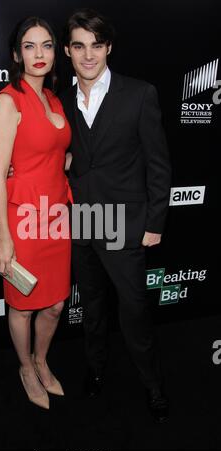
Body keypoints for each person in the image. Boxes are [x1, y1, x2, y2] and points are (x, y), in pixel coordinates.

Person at [59, 9, 172, 423]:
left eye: (96, 45)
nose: (88, 55)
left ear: (108, 48)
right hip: (83, 220)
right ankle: (97, 367)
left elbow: (159, 164)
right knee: (91, 307)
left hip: (125, 224)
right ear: (69, 51)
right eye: (78, 45)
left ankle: (153, 384)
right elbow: (65, 153)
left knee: (134, 311)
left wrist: (154, 223)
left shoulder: (139, 93)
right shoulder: (61, 99)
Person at [0, 17, 72, 410]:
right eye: (30, 46)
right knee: (22, 305)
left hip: (57, 218)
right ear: (16, 54)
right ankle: (25, 366)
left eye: (47, 45)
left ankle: (42, 359)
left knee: (55, 303)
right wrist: (4, 238)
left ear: (56, 52)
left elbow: (51, 151)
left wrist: (64, 158)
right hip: (22, 223)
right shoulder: (8, 101)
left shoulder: (53, 99)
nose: (39, 54)